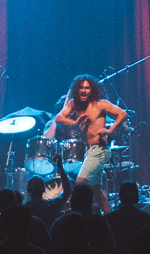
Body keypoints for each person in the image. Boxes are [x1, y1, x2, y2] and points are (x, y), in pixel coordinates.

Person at [54, 74, 128, 214]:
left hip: (99, 150)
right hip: (90, 151)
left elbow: (122, 114)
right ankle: (109, 217)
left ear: (91, 90)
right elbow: (59, 118)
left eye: (87, 88)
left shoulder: (100, 104)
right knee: (96, 192)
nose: (83, 90)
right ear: (77, 89)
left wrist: (110, 130)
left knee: (80, 184)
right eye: (81, 87)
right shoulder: (74, 105)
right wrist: (75, 122)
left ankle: (82, 217)